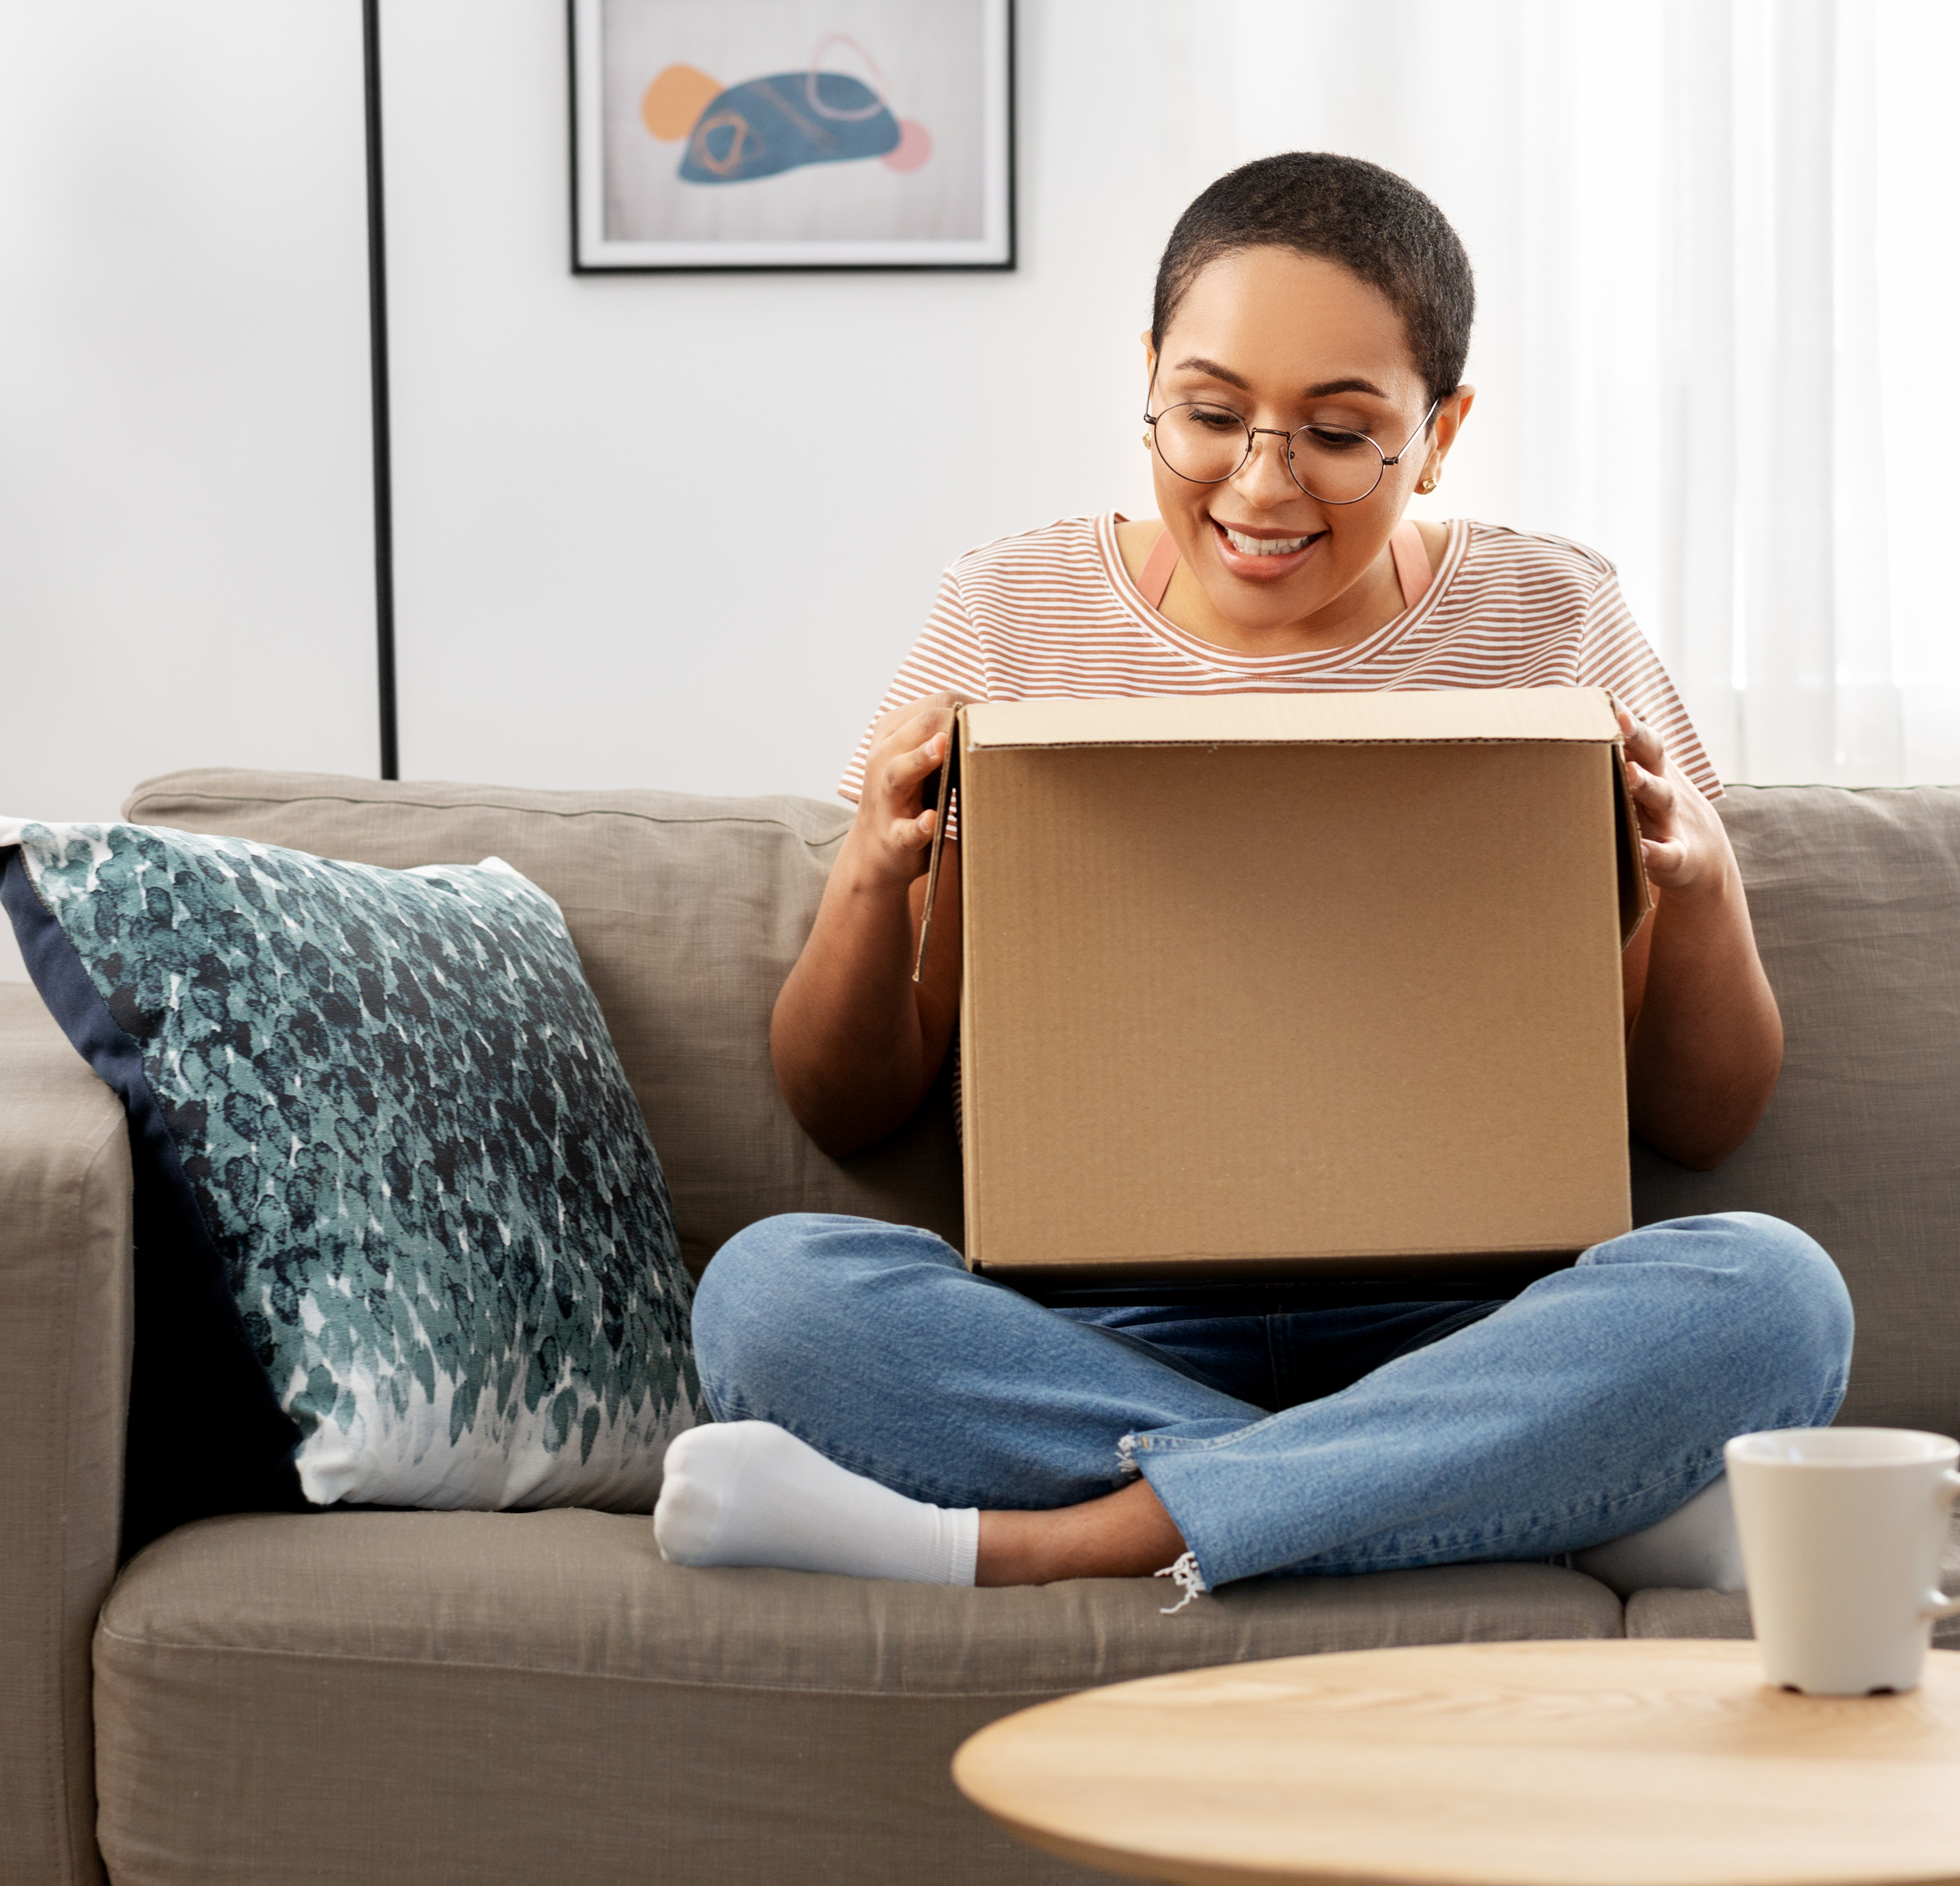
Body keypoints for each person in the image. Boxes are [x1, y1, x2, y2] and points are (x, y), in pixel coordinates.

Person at [655, 152, 1849, 1603]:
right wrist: (869, 877)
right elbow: (846, 1110)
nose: (1262, 482)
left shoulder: (1553, 618)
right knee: (769, 1298)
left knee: (1774, 1296)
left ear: (1442, 432)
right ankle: (1504, 1493)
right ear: (1149, 374)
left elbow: (1704, 1123)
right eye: (1211, 414)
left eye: (1341, 434)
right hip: (1104, 1332)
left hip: (1474, 1323)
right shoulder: (1011, 613)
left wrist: (1704, 889)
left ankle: (1076, 1540)